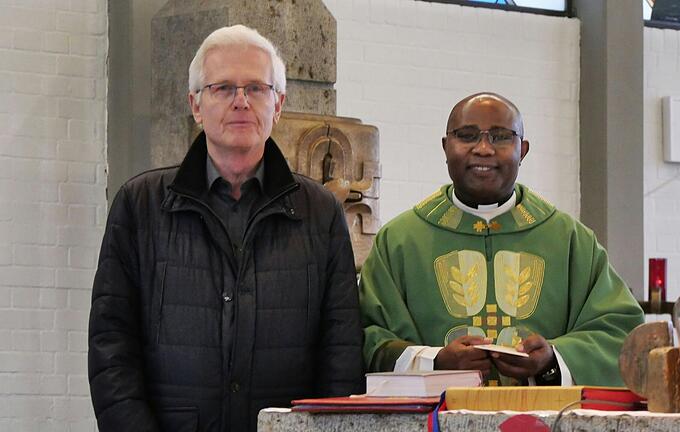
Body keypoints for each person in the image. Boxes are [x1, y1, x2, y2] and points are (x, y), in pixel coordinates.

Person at [88, 25, 363, 431]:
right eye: (222, 88)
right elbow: (111, 344)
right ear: (196, 105)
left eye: (256, 88)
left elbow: (341, 350)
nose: (241, 101)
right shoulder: (140, 206)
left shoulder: (319, 212)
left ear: (279, 103)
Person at [360, 92, 644, 387]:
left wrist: (553, 359)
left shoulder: (570, 240)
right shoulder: (400, 241)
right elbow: (367, 337)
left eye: (501, 137)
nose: (483, 149)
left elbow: (621, 333)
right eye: (467, 136)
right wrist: (436, 362)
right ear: (446, 147)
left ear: (523, 150)